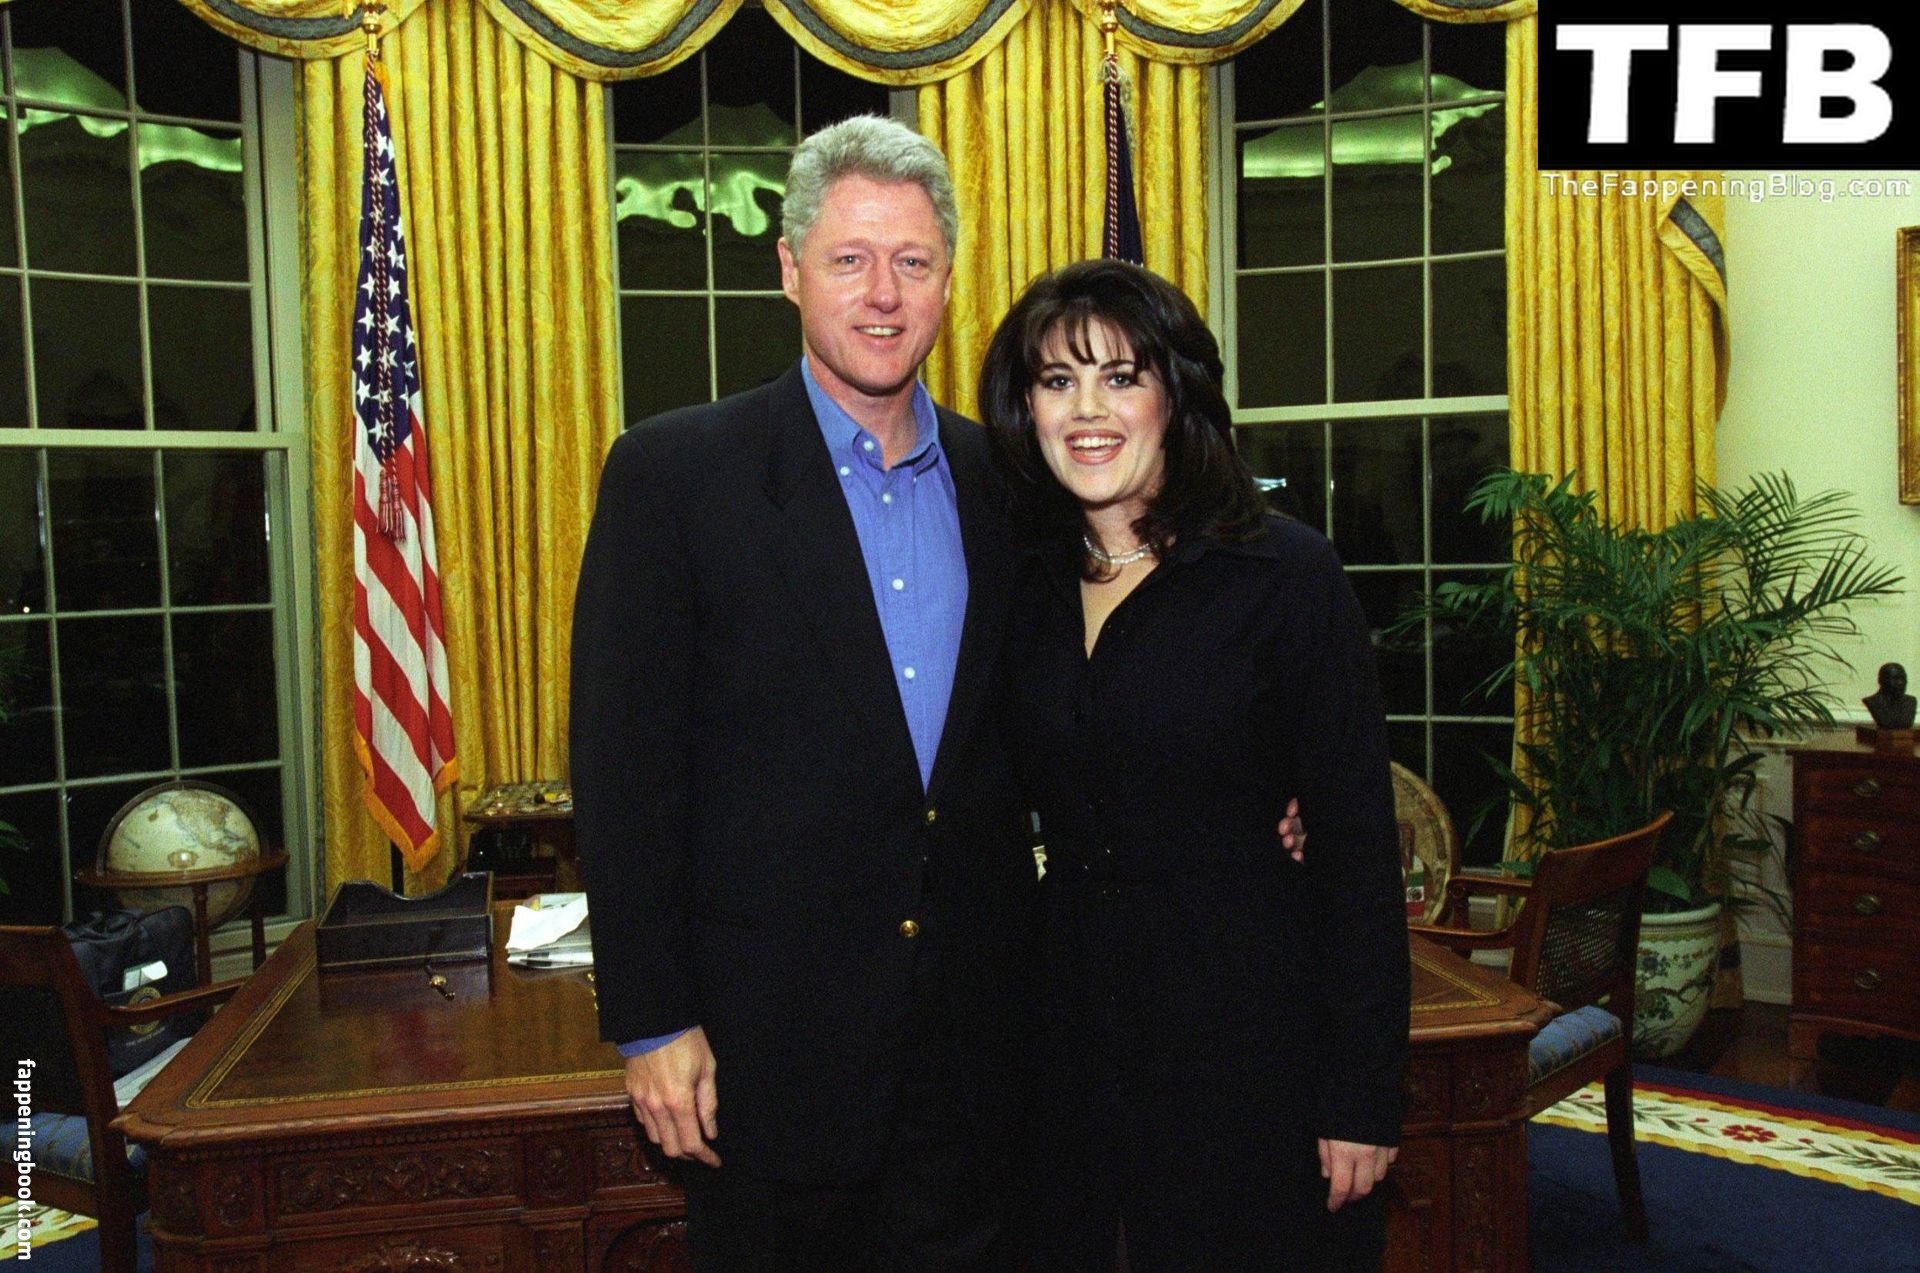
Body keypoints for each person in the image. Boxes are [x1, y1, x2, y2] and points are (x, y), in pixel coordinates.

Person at [571, 115, 1035, 1270]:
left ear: (948, 278)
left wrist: (1253, 797)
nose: (883, 294)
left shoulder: (1007, 482)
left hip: (977, 1061)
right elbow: (626, 773)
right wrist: (652, 1019)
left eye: (912, 261)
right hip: (767, 1060)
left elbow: (1059, 719)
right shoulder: (673, 476)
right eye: (849, 259)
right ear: (789, 269)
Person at [979, 258, 1411, 1271]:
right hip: (1068, 1034)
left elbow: (1357, 853)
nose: (1088, 410)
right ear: (1026, 410)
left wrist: (1361, 1095)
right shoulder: (1016, 585)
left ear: (1174, 397)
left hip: (1249, 1031)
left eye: (1121, 377)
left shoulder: (1284, 573)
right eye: (1057, 381)